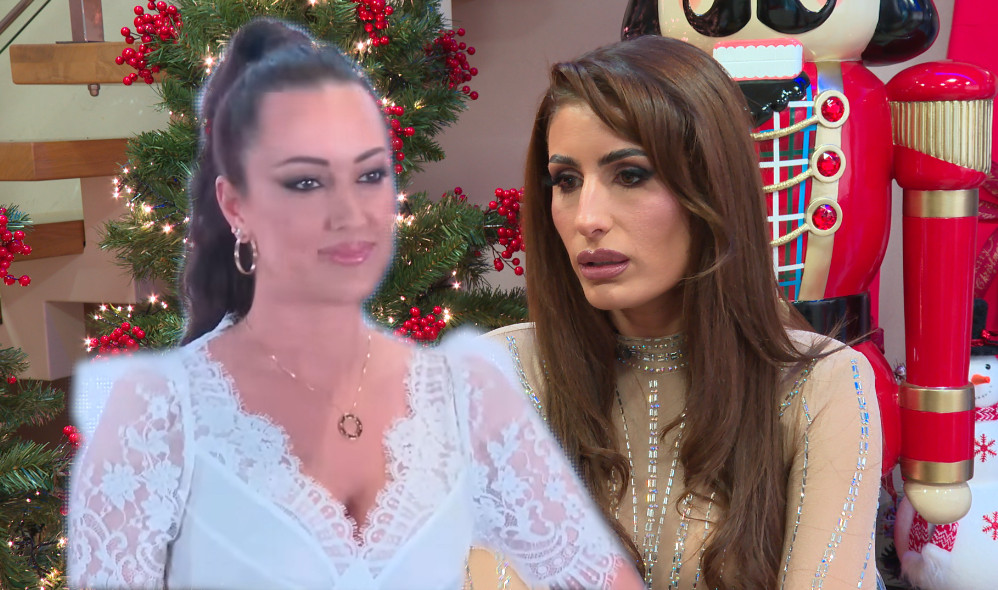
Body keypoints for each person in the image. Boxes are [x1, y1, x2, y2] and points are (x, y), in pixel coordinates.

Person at [66, 18, 644, 590]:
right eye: (304, 181)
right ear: (236, 205)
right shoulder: (153, 417)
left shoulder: (464, 394)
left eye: (368, 175)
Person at [476, 36, 883, 590]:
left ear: (712, 189)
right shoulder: (501, 375)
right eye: (566, 182)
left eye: (630, 175)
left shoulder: (821, 383)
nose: (586, 218)